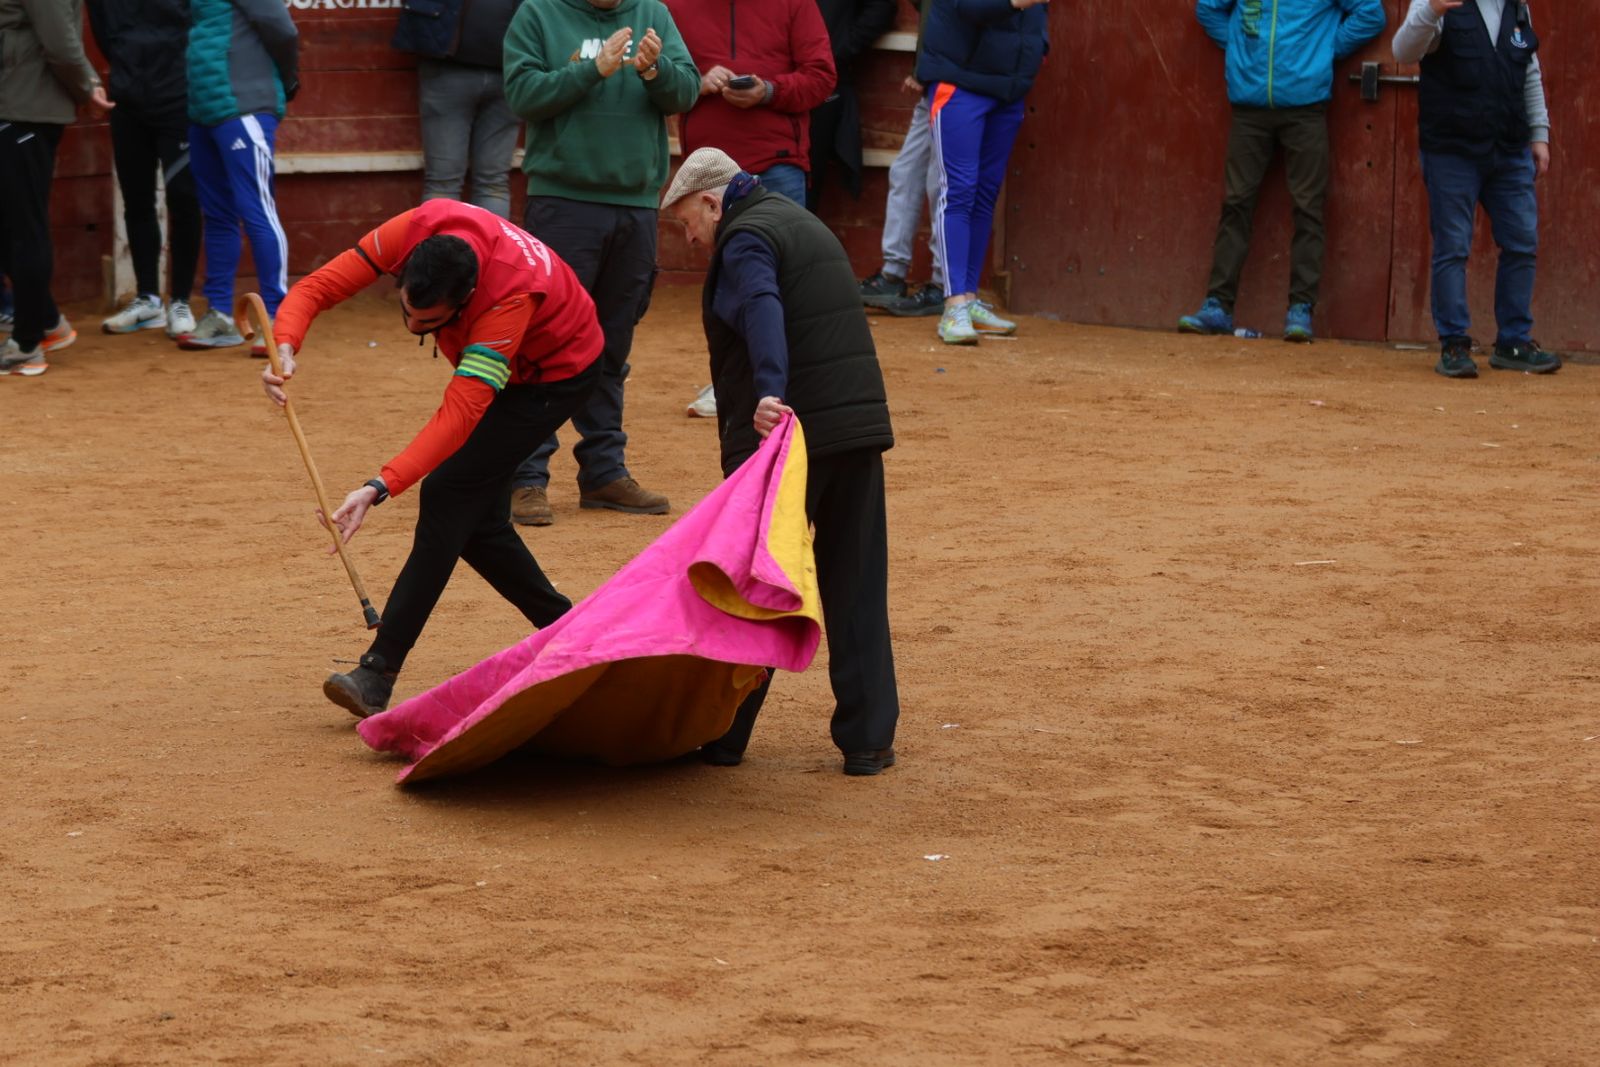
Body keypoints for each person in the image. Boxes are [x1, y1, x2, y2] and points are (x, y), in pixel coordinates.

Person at [262, 201, 604, 717]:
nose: (413, 325)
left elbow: (462, 413)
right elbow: (316, 287)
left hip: (554, 376)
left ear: (466, 300)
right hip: (516, 365)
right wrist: (284, 343)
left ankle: (379, 671)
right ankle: (573, 634)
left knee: (449, 492)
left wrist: (378, 486)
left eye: (430, 323)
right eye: (407, 312)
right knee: (479, 523)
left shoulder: (508, 299)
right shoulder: (421, 227)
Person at [661, 147, 900, 776]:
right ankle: (869, 740)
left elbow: (762, 307)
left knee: (754, 585)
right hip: (856, 428)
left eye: (689, 223)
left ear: (713, 202)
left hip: (792, 440)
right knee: (856, 582)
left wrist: (770, 390)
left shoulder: (744, 239)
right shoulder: (804, 222)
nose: (692, 239)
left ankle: (723, 733)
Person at [501, 0, 700, 527]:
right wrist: (592, 70)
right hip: (563, 202)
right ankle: (525, 477)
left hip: (635, 203)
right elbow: (522, 95)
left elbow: (686, 92)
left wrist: (655, 70)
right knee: (544, 339)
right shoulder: (538, 14)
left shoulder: (653, 12)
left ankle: (604, 471)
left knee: (613, 341)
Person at [1180, 0, 1386, 344]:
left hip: (1305, 107)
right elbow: (1208, 10)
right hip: (1249, 107)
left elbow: (1371, 15)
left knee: (1308, 208)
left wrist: (1324, 49)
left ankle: (1300, 309)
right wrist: (1237, 47)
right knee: (1236, 204)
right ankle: (1217, 305)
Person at [1393, 0, 1559, 379]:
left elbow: (1528, 70)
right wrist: (1431, 11)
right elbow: (1403, 51)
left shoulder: (1518, 5)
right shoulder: (1439, 3)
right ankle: (1454, 344)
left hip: (1509, 145)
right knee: (1453, 246)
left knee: (1522, 242)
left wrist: (1539, 133)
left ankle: (1513, 342)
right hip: (1452, 148)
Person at [917, 0, 1049, 346]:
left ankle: (969, 297)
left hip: (1008, 89)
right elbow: (970, 7)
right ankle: (953, 303)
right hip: (959, 83)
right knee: (958, 190)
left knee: (985, 193)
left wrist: (1038, 49)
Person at [0, 0, 114, 377]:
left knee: (23, 228)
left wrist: (86, 88)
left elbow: (61, 44)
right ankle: (47, 321)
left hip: (23, 109)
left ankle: (28, 343)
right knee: (13, 227)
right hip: (16, 105)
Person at [179, 0, 298, 353]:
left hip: (244, 106)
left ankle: (278, 318)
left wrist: (287, 79)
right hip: (204, 111)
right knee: (218, 215)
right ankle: (218, 313)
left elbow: (284, 30)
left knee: (257, 210)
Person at [86, 0, 202, 339]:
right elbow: (103, 33)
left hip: (179, 98)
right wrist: (129, 68)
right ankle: (148, 298)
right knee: (136, 200)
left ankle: (179, 300)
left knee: (184, 198)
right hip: (128, 100)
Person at [667, 0, 835, 206]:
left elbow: (821, 77)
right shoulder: (673, 6)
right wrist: (697, 84)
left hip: (776, 164)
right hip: (705, 168)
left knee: (779, 239)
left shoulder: (796, 3)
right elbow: (654, 81)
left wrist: (768, 91)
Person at [391, 0, 524, 220]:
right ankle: (492, 254)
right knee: (493, 183)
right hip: (507, 67)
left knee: (443, 184)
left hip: (450, 67)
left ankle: (440, 255)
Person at [859, 0, 944, 318]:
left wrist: (927, 71)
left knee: (940, 182)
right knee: (905, 172)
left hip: (955, 85)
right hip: (933, 84)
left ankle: (941, 282)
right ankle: (893, 274)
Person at [806, 0, 897, 212]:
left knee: (807, 182)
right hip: (766, 85)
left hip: (821, 88)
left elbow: (881, 8)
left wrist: (837, 49)